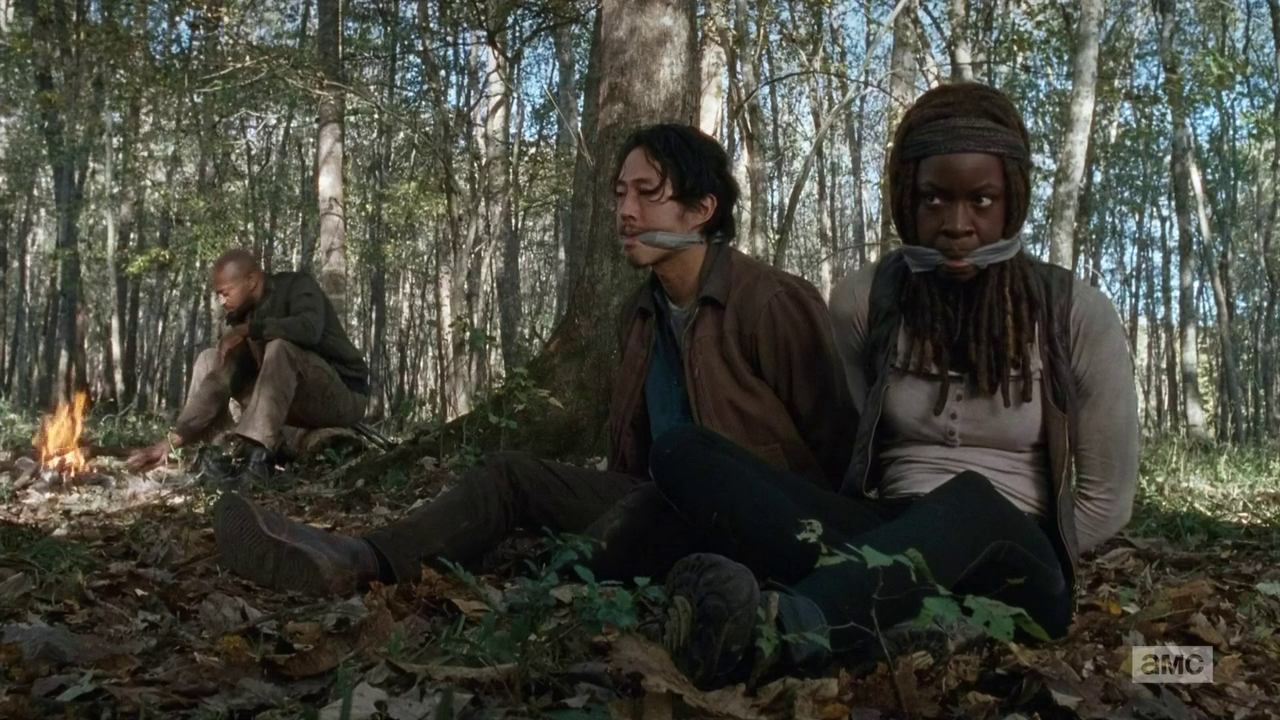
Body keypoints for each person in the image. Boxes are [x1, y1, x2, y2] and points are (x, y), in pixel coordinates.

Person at [211, 123, 855, 597]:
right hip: (653, 499)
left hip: (755, 521)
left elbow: (834, 452)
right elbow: (632, 456)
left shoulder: (771, 302)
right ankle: (355, 558)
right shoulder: (640, 314)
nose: (626, 212)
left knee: (616, 538)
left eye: (648, 193)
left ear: (702, 209)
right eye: (619, 194)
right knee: (509, 476)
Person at [645, 83, 1139, 690]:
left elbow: (1107, 501)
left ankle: (784, 630)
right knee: (682, 450)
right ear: (907, 197)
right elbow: (845, 448)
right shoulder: (867, 299)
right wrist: (903, 551)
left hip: (1016, 558)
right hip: (886, 537)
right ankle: (883, 612)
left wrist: (985, 558)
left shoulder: (1074, 312)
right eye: (934, 199)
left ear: (1012, 200)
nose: (957, 225)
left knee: (972, 500)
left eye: (982, 201)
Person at [126, 250, 370, 481]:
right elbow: (220, 382)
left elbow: (309, 329)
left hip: (343, 396)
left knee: (280, 349)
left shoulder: (297, 286)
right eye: (218, 294)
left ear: (252, 281)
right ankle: (219, 450)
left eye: (226, 293)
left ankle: (255, 458)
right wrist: (169, 443)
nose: (221, 301)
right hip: (291, 405)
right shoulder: (245, 313)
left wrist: (250, 330)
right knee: (211, 359)